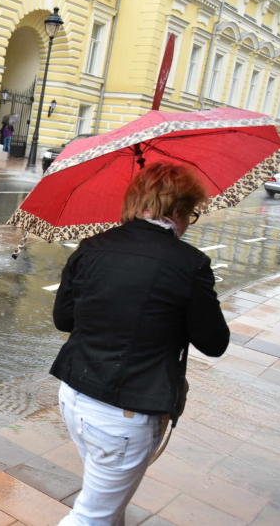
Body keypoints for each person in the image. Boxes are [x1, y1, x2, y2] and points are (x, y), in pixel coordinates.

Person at [51, 161, 229, 526]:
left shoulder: (91, 246)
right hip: (125, 413)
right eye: (191, 214)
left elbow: (63, 319)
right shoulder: (189, 263)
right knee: (91, 516)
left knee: (108, 504)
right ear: (179, 210)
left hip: (74, 395)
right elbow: (214, 342)